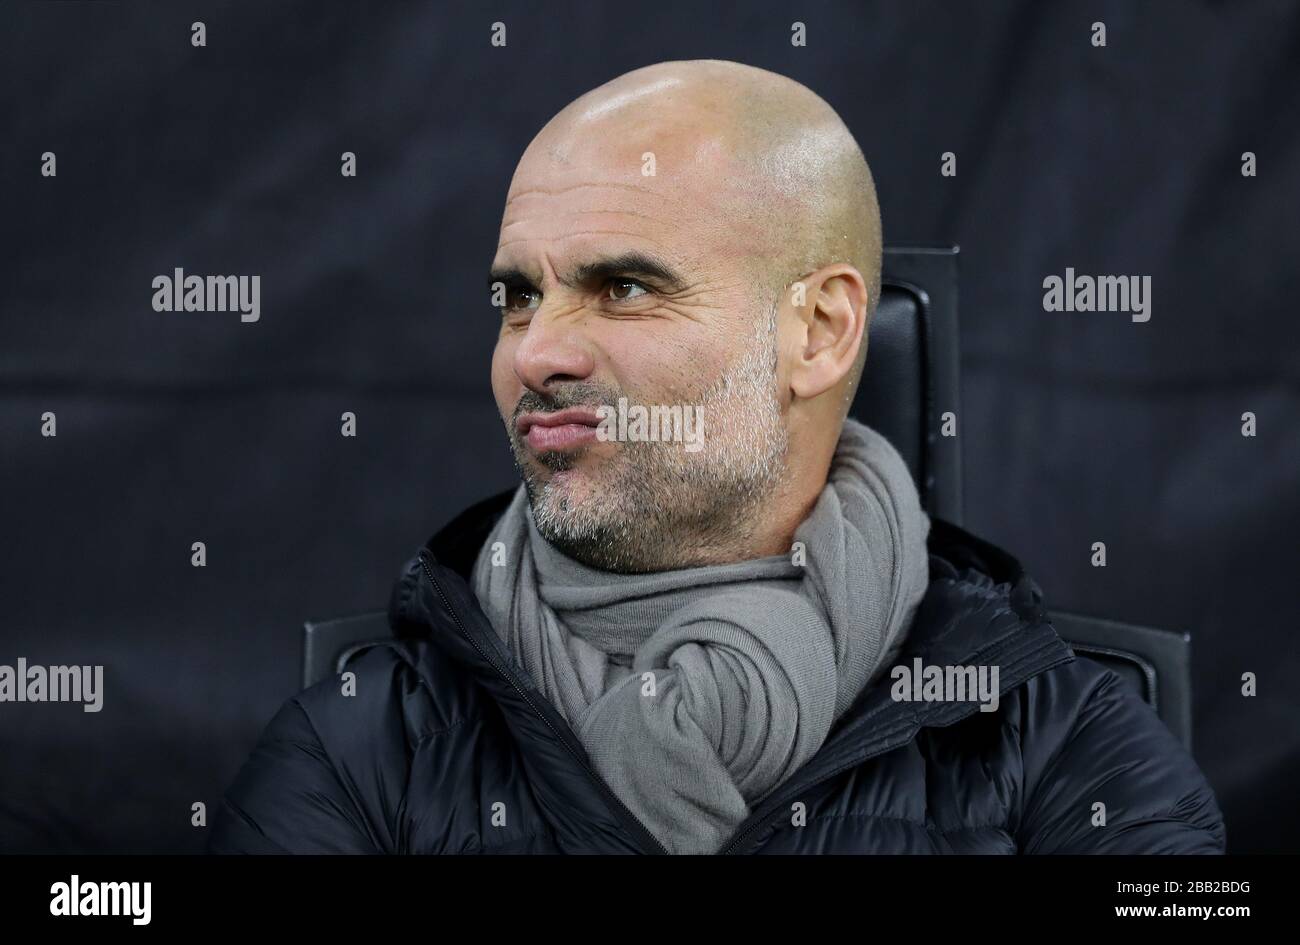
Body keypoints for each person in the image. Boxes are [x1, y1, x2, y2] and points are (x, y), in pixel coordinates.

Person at [209, 59, 1224, 854]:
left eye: (625, 288)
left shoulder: (1064, 745)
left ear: (819, 333)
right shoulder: (361, 746)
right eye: (518, 297)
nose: (537, 350)